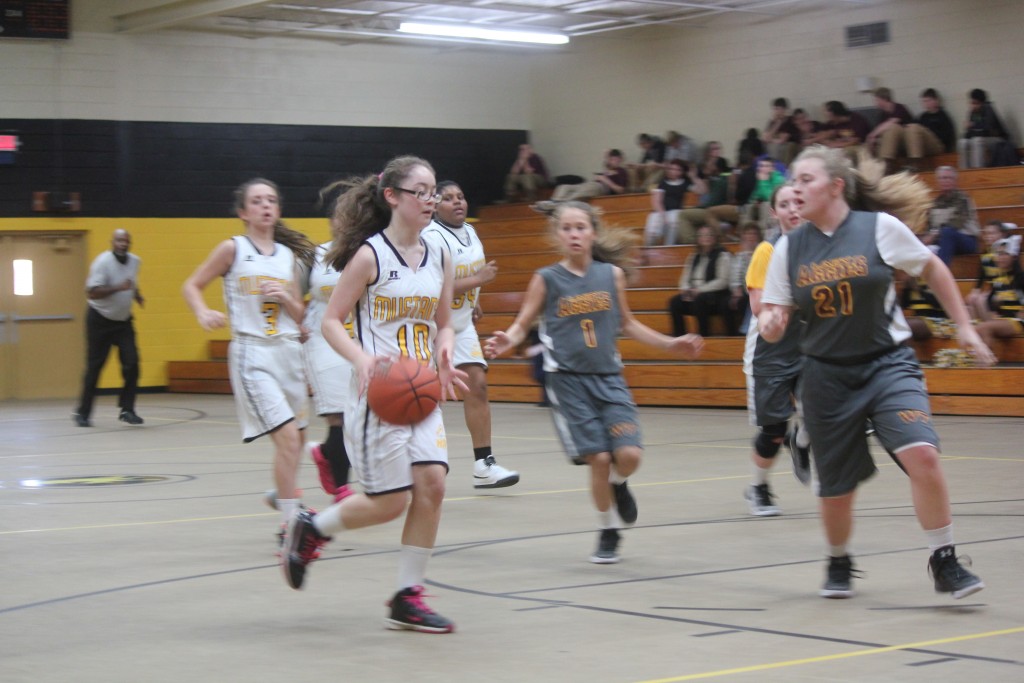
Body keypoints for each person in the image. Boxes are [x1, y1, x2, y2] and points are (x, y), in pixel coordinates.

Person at [759, 145, 994, 600]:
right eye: (794, 182)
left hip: (887, 363)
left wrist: (964, 326)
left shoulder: (879, 228)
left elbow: (933, 267)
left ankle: (944, 560)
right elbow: (774, 319)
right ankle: (839, 558)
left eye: (806, 179)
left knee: (923, 455)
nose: (795, 188)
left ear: (835, 186)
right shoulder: (788, 248)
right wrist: (771, 324)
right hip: (826, 375)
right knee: (836, 491)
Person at [279, 156, 468, 634]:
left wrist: (445, 354)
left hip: (421, 389)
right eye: (422, 192)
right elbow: (329, 320)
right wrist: (362, 360)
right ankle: (312, 529)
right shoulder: (369, 255)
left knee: (434, 485)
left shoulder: (441, 253)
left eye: (434, 192)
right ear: (393, 197)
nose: (432, 200)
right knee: (388, 503)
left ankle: (408, 595)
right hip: (379, 395)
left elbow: (443, 322)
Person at [484, 201, 702, 563]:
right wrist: (509, 338)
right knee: (600, 458)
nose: (574, 234)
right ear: (557, 235)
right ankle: (607, 529)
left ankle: (619, 485)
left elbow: (628, 324)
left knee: (628, 456)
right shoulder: (547, 278)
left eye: (580, 227)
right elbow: (523, 323)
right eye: (567, 228)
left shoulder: (610, 276)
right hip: (567, 381)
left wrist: (671, 344)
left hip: (608, 376)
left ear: (593, 233)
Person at [182, 179, 316, 532]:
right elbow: (191, 285)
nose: (265, 206)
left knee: (298, 440)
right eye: (257, 201)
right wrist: (202, 312)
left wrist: (287, 298)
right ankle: (291, 525)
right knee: (287, 439)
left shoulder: (288, 257)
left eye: (271, 200)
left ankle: (281, 494)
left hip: (288, 351)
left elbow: (302, 317)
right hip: (252, 352)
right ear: (243, 212)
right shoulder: (233, 249)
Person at [424, 180, 520, 489]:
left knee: (477, 385)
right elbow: (435, 284)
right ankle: (425, 461)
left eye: (461, 196)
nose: (457, 202)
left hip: (461, 325)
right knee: (429, 397)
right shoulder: (431, 236)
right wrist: (477, 280)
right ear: (435, 206)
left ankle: (484, 464)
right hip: (432, 328)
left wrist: (474, 300)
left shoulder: (470, 232)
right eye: (448, 198)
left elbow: (467, 276)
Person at [742, 185, 811, 517]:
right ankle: (758, 487)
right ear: (775, 212)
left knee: (824, 408)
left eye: (798, 202)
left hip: (810, 346)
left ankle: (801, 443)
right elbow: (759, 307)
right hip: (769, 351)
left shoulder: (822, 248)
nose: (793, 209)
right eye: (785, 204)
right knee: (773, 430)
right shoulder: (767, 251)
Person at [299, 232, 356, 506]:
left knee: (359, 419)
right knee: (339, 416)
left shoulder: (377, 251)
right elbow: (291, 292)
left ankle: (325, 452)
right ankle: (342, 491)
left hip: (360, 341)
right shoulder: (316, 255)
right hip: (322, 339)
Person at [73, 229, 145, 427]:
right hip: (100, 321)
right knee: (95, 367)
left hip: (123, 322)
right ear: (112, 242)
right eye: (119, 240)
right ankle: (83, 413)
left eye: (126, 241)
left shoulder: (135, 261)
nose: (123, 244)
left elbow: (131, 282)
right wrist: (118, 288)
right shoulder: (102, 262)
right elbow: (92, 293)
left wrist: (136, 295)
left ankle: (127, 409)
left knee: (132, 364)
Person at [668, 225, 734, 336]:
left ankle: (704, 335)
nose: (706, 237)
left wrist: (699, 290)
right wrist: (685, 290)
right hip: (694, 293)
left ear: (714, 238)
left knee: (700, 300)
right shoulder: (693, 256)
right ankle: (679, 337)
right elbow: (685, 277)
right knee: (674, 302)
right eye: (702, 235)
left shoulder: (722, 255)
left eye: (709, 235)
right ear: (698, 239)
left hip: (714, 295)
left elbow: (722, 281)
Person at [973, 236, 1024, 356]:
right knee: (977, 328)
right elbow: (991, 298)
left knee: (984, 328)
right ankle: (985, 363)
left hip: (1018, 321)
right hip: (1004, 320)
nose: (1000, 258)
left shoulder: (1021, 277)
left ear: (1014, 257)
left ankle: (986, 364)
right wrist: (993, 311)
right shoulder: (998, 279)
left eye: (1005, 254)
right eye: (999, 254)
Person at [532, 149, 628, 213]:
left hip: (602, 188)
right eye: (610, 159)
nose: (612, 161)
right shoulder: (606, 170)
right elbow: (605, 162)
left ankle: (556, 206)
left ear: (619, 160)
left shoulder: (621, 171)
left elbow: (620, 190)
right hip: (591, 184)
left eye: (614, 159)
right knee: (564, 187)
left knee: (583, 191)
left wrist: (605, 180)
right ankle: (552, 202)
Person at [643, 159, 706, 246]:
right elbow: (656, 201)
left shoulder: (684, 183)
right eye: (671, 169)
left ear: (682, 172)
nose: (673, 172)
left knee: (673, 225)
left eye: (677, 169)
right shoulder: (662, 183)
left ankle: (669, 247)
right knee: (652, 232)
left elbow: (702, 191)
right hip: (660, 212)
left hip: (676, 212)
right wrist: (663, 216)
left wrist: (693, 177)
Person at [929, 166, 979, 265]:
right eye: (942, 178)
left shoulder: (963, 199)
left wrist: (935, 234)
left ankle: (941, 274)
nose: (946, 181)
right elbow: (930, 226)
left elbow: (956, 223)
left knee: (948, 232)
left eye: (949, 178)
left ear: (955, 181)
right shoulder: (935, 203)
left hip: (966, 240)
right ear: (937, 181)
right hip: (943, 241)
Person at [966, 221, 1016, 319]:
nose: (988, 236)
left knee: (981, 300)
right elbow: (982, 274)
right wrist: (975, 291)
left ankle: (990, 327)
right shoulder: (986, 255)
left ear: (1002, 234)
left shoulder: (1007, 252)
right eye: (986, 233)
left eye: (992, 233)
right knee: (970, 304)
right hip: (995, 289)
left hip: (1009, 289)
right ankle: (983, 329)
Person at [902, 88, 956, 170]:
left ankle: (916, 163)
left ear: (936, 101)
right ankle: (911, 160)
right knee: (910, 127)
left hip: (939, 146)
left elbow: (948, 136)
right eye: (924, 101)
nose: (926, 104)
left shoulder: (943, 116)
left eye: (928, 101)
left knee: (915, 128)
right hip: (924, 146)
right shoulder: (922, 116)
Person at [864, 87, 914, 174]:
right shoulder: (882, 114)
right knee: (872, 142)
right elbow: (879, 131)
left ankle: (885, 166)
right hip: (890, 143)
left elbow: (891, 122)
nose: (875, 102)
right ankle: (874, 167)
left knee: (892, 129)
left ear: (884, 99)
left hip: (906, 140)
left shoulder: (899, 108)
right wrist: (872, 140)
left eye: (877, 100)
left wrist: (872, 135)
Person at [958, 88, 1009, 169]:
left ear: (981, 103)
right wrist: (966, 136)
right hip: (982, 137)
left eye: (975, 103)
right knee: (962, 142)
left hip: (997, 139)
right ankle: (964, 171)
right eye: (972, 103)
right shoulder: (973, 112)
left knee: (977, 141)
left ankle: (978, 170)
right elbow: (970, 131)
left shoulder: (988, 108)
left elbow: (987, 128)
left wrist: (973, 125)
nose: (973, 105)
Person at [729, 222, 761, 335]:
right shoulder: (739, 256)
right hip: (745, 289)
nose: (751, 236)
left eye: (753, 233)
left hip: (760, 288)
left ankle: (746, 329)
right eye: (748, 233)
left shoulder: (763, 253)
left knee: (753, 298)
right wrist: (736, 288)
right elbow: (735, 275)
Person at [761, 98, 801, 165]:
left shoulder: (789, 120)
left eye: (779, 109)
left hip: (790, 145)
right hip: (777, 146)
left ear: (785, 109)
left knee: (777, 146)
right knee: (768, 146)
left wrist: (771, 139)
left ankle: (780, 169)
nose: (777, 111)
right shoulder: (773, 122)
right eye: (775, 109)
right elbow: (764, 138)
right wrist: (777, 123)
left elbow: (782, 140)